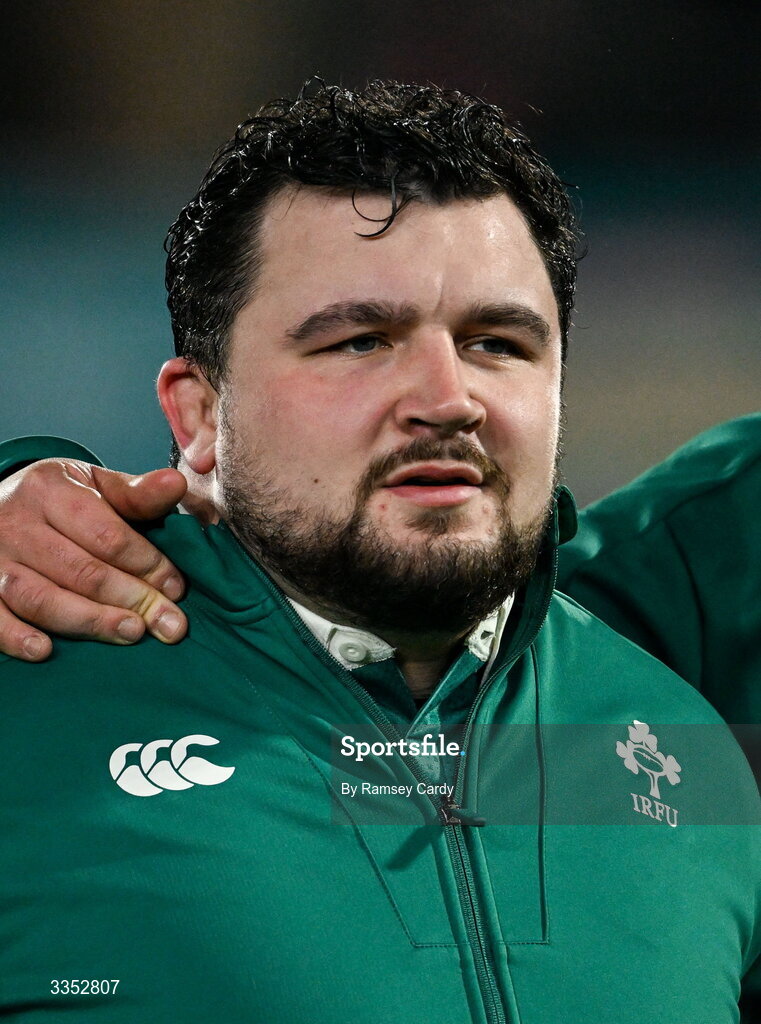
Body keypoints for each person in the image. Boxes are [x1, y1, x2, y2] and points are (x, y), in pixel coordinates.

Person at [0, 81, 758, 1022]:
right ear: (199, 417)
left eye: (496, 343)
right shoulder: (30, 708)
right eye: (360, 341)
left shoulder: (681, 748)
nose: (447, 398)